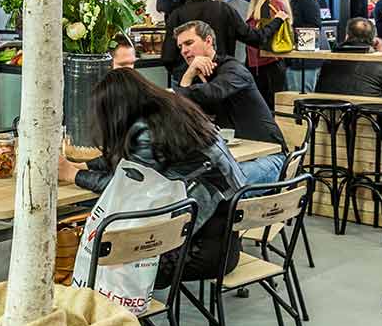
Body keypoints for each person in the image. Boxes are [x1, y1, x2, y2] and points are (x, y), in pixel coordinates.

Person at [69, 67, 250, 285]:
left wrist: (74, 175)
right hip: (223, 239)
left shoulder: (147, 131)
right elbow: (130, 162)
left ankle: (107, 315)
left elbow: (128, 188)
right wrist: (85, 165)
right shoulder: (171, 111)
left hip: (200, 252)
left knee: (106, 261)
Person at [172, 21, 285, 186]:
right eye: (180, 47)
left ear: (208, 41)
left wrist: (185, 81)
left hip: (270, 159)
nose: (184, 51)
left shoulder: (234, 70)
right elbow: (181, 112)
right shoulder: (195, 76)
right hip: (234, 158)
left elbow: (213, 93)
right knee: (182, 179)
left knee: (213, 185)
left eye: (189, 43)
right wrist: (188, 76)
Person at [160, 0, 273, 78]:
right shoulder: (225, 10)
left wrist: (185, 75)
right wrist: (277, 21)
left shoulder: (177, 14)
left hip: (189, 81)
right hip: (221, 79)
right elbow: (255, 38)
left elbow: (168, 58)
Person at [315, 18, 382, 100]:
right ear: (373, 39)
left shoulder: (329, 60)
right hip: (368, 117)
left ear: (347, 36)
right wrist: (380, 54)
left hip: (327, 116)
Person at [244, 0, 293, 105]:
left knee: (269, 112)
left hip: (268, 66)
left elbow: (263, 36)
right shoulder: (269, 2)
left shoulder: (271, 4)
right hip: (265, 65)